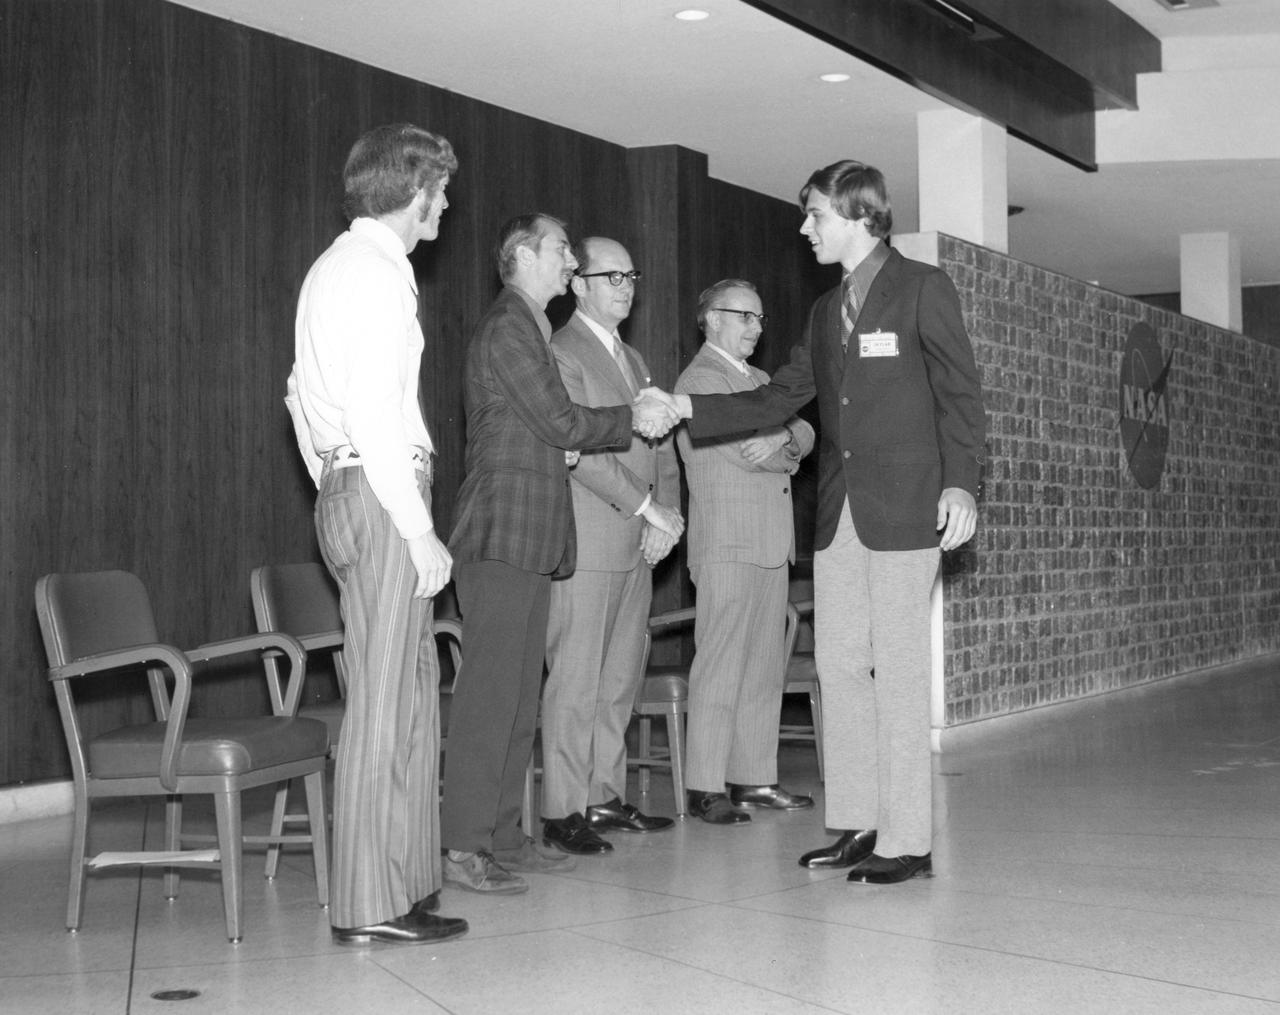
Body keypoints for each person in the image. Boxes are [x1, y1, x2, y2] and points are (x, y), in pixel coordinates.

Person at [665, 161, 986, 883]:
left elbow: (961, 396)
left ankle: (909, 839)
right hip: (839, 515)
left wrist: (961, 486)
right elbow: (781, 396)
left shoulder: (922, 289)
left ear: (857, 214)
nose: (805, 228)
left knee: (898, 672)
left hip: (908, 509)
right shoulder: (823, 310)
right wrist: (691, 407)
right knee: (841, 668)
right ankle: (860, 822)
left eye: (814, 214)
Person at [442, 215, 680, 893]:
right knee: (490, 700)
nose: (568, 259)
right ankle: (463, 846)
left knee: (520, 701)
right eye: (559, 250)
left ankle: (505, 838)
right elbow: (560, 421)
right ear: (521, 256)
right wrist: (631, 416)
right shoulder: (509, 327)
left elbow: (552, 432)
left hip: (533, 537)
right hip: (500, 535)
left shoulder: (531, 329)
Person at [284, 123, 467, 945]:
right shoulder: (371, 273)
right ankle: (367, 904)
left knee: (410, 694)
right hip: (385, 492)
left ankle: (406, 884)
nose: (446, 203)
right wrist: (417, 523)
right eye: (440, 189)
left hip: (355, 482)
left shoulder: (343, 267)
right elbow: (369, 410)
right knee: (384, 705)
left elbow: (297, 395)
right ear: (413, 189)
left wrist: (332, 472)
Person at [541, 237, 682, 855]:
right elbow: (579, 453)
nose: (626, 286)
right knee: (576, 677)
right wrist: (646, 506)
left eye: (632, 275)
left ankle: (603, 795)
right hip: (590, 532)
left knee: (620, 674)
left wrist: (665, 515)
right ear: (578, 283)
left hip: (635, 536)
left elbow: (660, 446)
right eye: (611, 276)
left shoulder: (631, 354)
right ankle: (563, 810)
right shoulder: (560, 350)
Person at [674, 279, 816, 825]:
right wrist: (781, 442)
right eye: (744, 316)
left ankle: (753, 777)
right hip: (729, 543)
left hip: (769, 542)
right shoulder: (699, 380)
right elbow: (738, 450)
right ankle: (705, 785)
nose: (756, 328)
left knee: (761, 667)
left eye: (759, 318)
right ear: (711, 319)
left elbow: (803, 428)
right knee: (721, 661)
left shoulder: (759, 380)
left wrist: (782, 438)